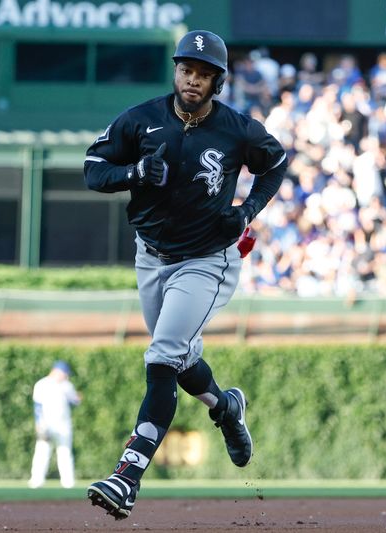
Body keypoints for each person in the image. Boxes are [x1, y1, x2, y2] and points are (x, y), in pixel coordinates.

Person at [83, 29, 287, 520]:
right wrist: (134, 174)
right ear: (176, 71)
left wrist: (249, 210)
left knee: (161, 358)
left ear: (217, 82)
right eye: (186, 69)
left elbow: (275, 162)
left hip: (207, 259)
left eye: (204, 74)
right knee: (179, 357)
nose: (193, 79)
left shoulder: (237, 128)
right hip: (151, 256)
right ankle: (225, 407)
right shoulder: (143, 119)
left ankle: (127, 477)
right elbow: (93, 168)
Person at [28, 360, 82, 489]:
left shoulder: (67, 385)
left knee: (65, 452)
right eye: (64, 373)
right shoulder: (41, 384)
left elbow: (75, 401)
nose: (65, 376)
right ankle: (36, 480)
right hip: (46, 424)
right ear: (56, 371)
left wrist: (77, 398)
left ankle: (68, 482)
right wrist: (38, 423)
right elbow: (37, 406)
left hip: (63, 425)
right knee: (42, 451)